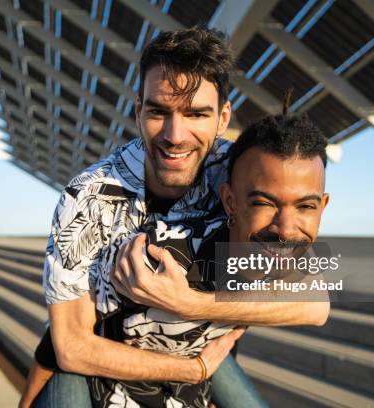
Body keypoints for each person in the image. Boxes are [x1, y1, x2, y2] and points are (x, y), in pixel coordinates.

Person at [23, 26, 329, 407]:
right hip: (114, 350)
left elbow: (314, 301)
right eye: (158, 112)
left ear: (222, 117)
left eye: (197, 113)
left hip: (199, 337)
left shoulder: (244, 172)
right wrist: (194, 369)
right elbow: (69, 347)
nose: (175, 134)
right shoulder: (87, 198)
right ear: (138, 112)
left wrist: (189, 304)